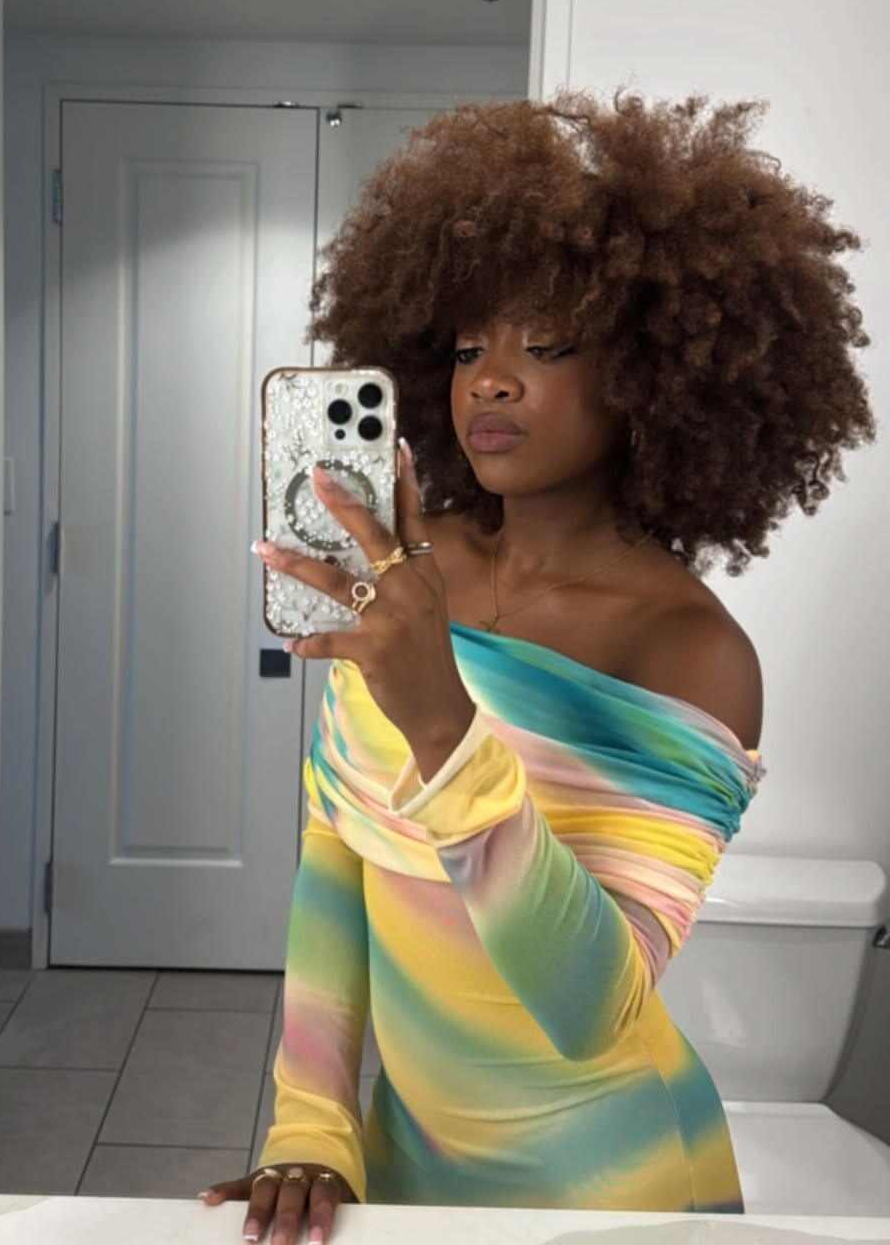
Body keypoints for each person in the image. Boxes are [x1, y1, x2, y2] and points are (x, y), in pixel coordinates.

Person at [199, 90, 876, 1243]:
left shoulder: (690, 650)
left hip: (619, 1192)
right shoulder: (408, 571)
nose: (489, 381)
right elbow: (336, 853)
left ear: (653, 375)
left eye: (546, 346)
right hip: (407, 1174)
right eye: (470, 348)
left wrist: (443, 727)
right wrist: (312, 1127)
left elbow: (590, 1010)